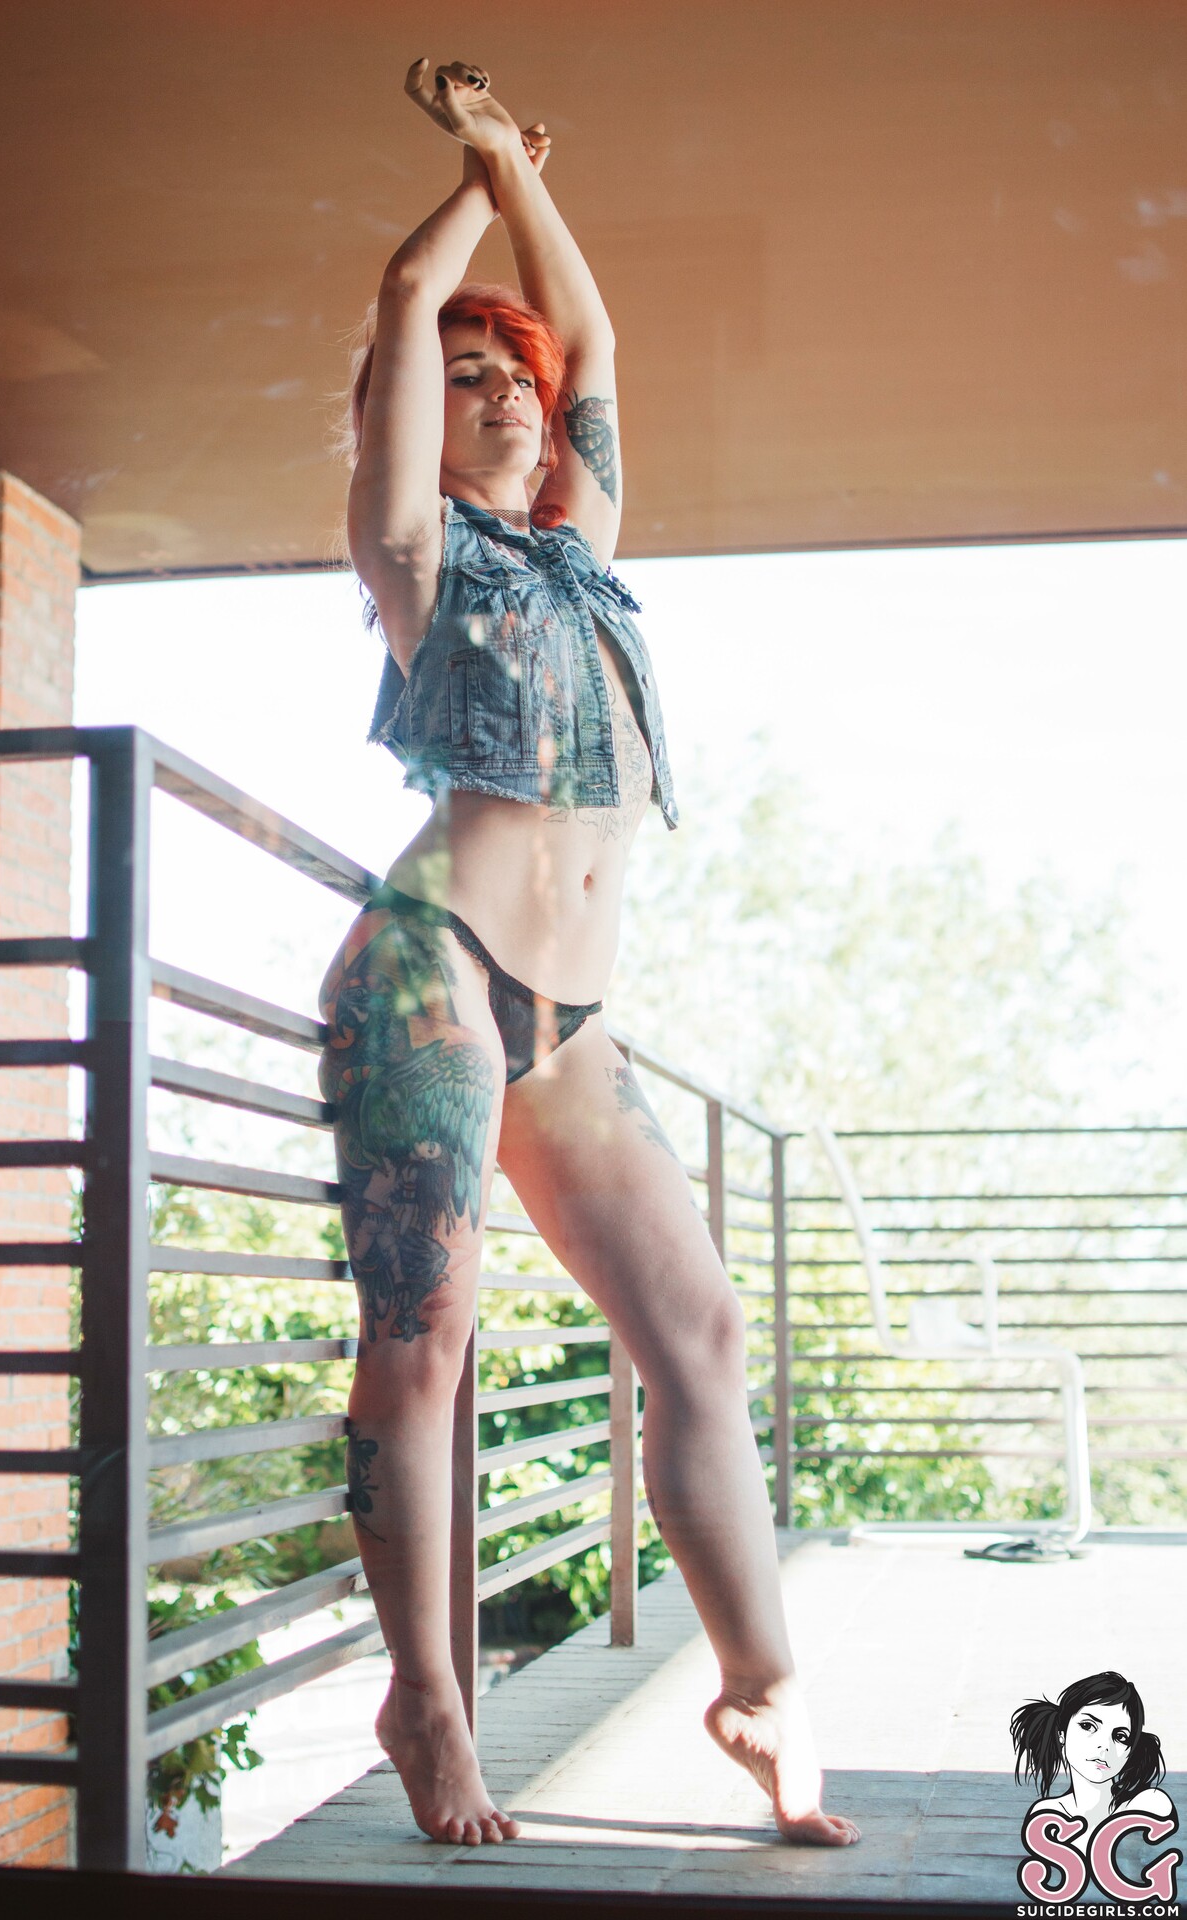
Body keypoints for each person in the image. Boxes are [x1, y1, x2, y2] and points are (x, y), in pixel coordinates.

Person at [318, 56, 860, 1851]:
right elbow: (405, 296)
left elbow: (598, 344)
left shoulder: (588, 559)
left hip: (568, 1018)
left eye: (514, 380)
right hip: (432, 967)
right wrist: (475, 176)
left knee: (698, 1329)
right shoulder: (417, 552)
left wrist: (528, 179)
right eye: (463, 380)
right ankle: (428, 1698)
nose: (500, 395)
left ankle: (757, 1687)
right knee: (424, 1336)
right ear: (411, 417)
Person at [1011, 1671, 1173, 1842]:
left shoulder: (1149, 1804)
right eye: (1088, 1726)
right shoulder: (1048, 1814)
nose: (1105, 1746)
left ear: (1130, 1750)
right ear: (1062, 1734)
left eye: (1120, 1736)